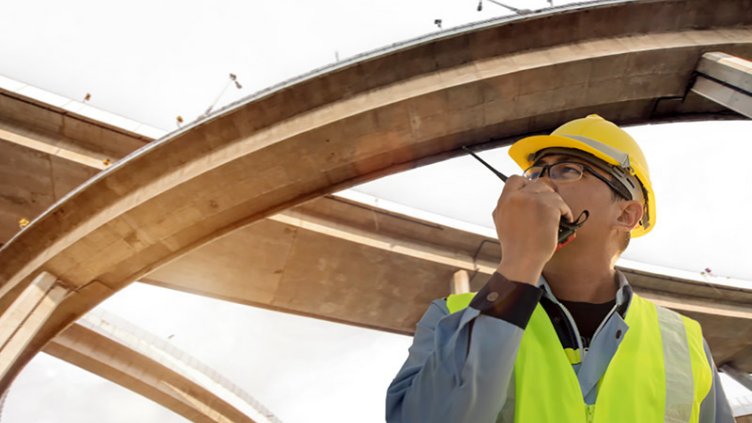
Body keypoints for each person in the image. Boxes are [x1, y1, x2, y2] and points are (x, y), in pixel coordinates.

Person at [385, 115, 735, 423]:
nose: (539, 184)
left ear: (627, 214)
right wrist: (518, 265)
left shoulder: (683, 342)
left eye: (567, 169)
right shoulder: (451, 317)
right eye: (534, 172)